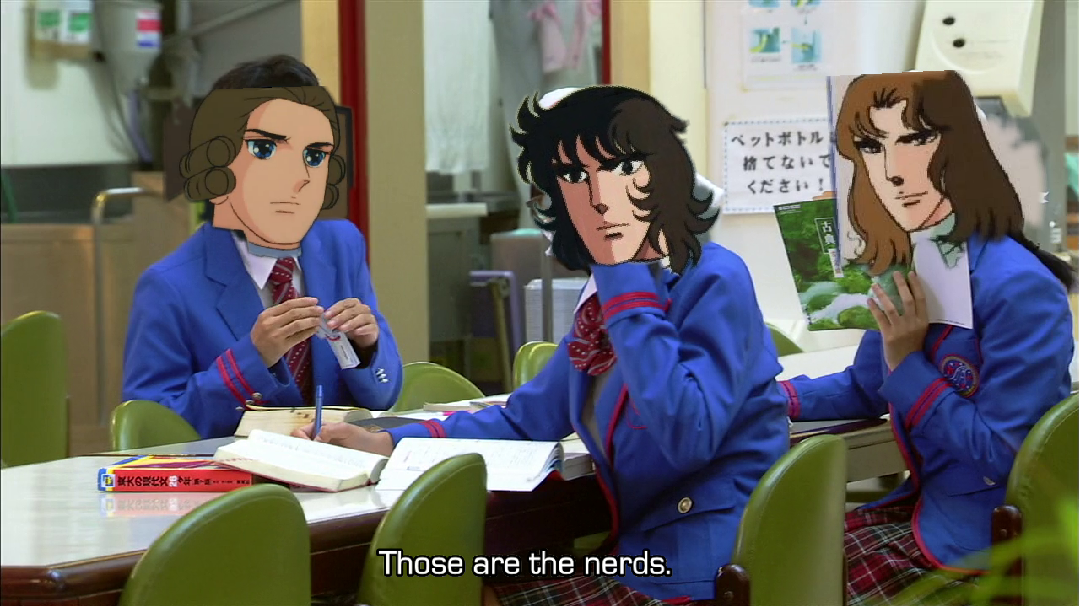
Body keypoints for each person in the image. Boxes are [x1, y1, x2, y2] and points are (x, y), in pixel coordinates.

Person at [295, 86, 789, 605]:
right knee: (448, 580)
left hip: (702, 571)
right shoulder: (608, 297)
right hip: (640, 550)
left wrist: (623, 274)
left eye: (620, 168)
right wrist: (388, 442)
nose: (599, 197)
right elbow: (524, 420)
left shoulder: (711, 278)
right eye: (573, 177)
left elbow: (687, 433)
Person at [783, 71, 1076, 606]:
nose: (894, 171)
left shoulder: (1018, 287)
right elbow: (868, 386)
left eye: (917, 139)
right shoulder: (907, 260)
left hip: (991, 543)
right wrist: (772, 396)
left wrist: (907, 360)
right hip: (930, 511)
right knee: (780, 565)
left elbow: (1005, 455)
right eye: (872, 147)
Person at [122, 55, 402, 439]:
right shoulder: (168, 287)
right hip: (235, 474)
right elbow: (149, 431)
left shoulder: (341, 245)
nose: (297, 177)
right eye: (265, 150)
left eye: (313, 156)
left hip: (341, 468)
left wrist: (368, 349)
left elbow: (384, 393)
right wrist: (252, 361)